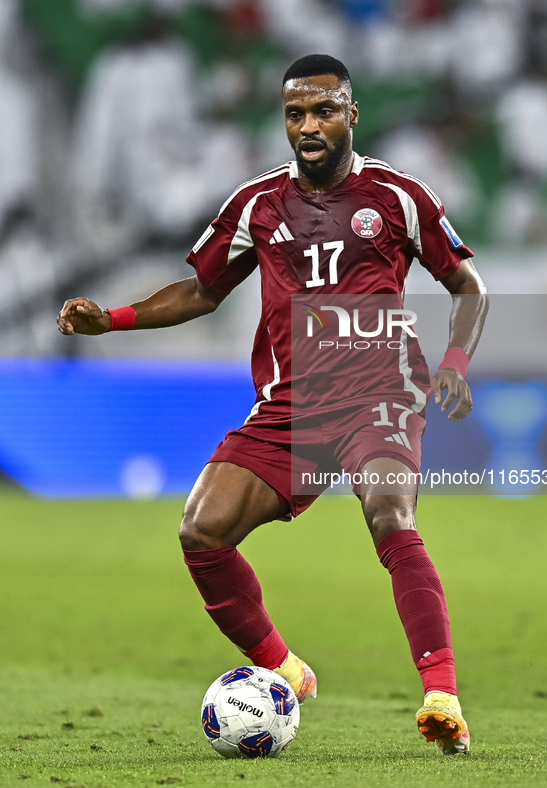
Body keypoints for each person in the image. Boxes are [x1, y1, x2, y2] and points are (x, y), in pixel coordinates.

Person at [57, 54, 488, 755]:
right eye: (294, 114)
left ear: (351, 114)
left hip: (379, 392)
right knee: (202, 529)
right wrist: (114, 318)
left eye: (323, 111)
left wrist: (454, 363)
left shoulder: (399, 196)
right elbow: (201, 290)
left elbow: (466, 284)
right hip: (292, 404)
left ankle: (442, 695)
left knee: (388, 513)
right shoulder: (256, 203)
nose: (308, 126)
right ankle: (286, 668)